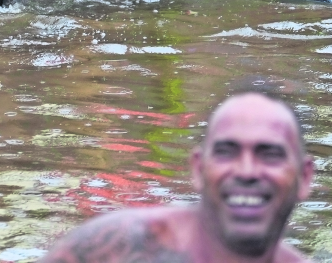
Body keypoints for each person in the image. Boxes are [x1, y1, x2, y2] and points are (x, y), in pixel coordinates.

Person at [40, 89, 315, 263]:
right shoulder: (112, 248)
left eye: (269, 154)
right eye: (226, 152)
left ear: (305, 177)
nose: (246, 171)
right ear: (197, 169)